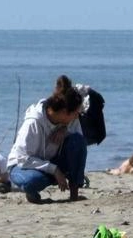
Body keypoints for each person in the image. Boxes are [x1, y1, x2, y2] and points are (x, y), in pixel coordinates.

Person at [8, 75, 88, 203]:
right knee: (32, 182)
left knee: (77, 142)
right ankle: (32, 193)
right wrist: (54, 169)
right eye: (75, 113)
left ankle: (74, 195)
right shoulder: (33, 122)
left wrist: (65, 129)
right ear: (64, 112)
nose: (77, 116)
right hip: (21, 166)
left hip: (49, 161)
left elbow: (80, 142)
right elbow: (23, 159)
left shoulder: (70, 118)